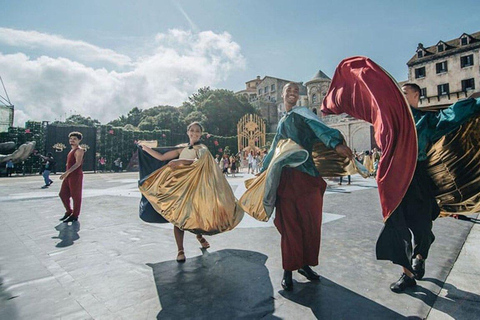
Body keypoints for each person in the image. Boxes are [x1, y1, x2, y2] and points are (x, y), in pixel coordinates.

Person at [378, 83, 480, 292]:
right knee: (397, 225)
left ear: (416, 95)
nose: (400, 95)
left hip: (418, 177)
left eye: (404, 93)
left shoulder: (427, 120)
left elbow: (453, 114)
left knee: (421, 226)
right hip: (394, 178)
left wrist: (473, 100)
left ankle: (419, 255)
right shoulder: (390, 119)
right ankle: (407, 275)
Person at [255, 82, 353, 291]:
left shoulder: (303, 114)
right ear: (282, 95)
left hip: (308, 176)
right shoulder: (282, 122)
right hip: (287, 179)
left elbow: (319, 129)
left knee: (311, 224)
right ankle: (288, 269)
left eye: (295, 91)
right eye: (288, 90)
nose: (291, 93)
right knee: (289, 226)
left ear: (298, 95)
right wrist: (263, 169)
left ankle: (305, 265)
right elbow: (274, 149)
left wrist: (335, 144)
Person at [138, 122, 243, 263]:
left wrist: (181, 161)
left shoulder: (202, 149)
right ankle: (180, 250)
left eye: (197, 131)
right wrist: (145, 148)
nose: (194, 133)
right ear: (188, 132)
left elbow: (198, 162)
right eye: (192, 130)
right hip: (179, 188)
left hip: (194, 188)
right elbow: (162, 158)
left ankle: (199, 237)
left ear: (201, 134)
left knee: (195, 216)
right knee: (178, 218)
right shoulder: (182, 148)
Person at [59, 132, 85, 223]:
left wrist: (66, 172)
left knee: (76, 196)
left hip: (75, 175)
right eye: (71, 139)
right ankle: (69, 211)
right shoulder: (71, 150)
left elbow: (77, 164)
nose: (72, 141)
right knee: (62, 194)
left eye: (74, 139)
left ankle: (75, 214)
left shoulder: (79, 150)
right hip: (68, 176)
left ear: (79, 140)